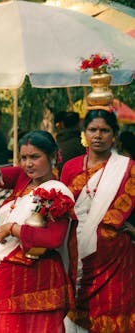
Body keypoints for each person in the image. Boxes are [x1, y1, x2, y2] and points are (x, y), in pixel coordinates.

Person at [0, 130, 77, 333]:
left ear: (53, 156)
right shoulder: (23, 178)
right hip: (7, 275)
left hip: (38, 278)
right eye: (24, 158)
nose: (28, 163)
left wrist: (13, 229)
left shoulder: (58, 191)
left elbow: (53, 238)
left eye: (35, 157)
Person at [61, 109, 134, 333]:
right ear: (84, 133)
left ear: (114, 135)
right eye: (93, 130)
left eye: (105, 130)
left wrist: (133, 229)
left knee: (116, 310)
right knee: (78, 312)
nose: (98, 135)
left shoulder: (128, 168)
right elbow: (61, 209)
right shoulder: (70, 167)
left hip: (117, 258)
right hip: (77, 254)